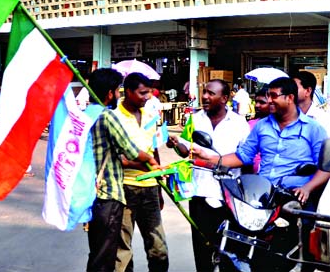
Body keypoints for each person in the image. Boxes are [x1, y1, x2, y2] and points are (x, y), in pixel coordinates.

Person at [194, 77, 329, 272]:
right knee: (236, 240)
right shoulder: (262, 126)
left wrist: (307, 188)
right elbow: (243, 156)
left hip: (294, 197)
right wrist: (209, 158)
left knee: (299, 249)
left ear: (290, 97)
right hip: (263, 195)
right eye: (268, 96)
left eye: (274, 96)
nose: (269, 100)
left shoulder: (313, 128)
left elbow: (325, 167)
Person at [168, 79, 250, 272]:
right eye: (204, 92)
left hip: (230, 196)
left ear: (224, 98)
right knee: (202, 246)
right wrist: (176, 144)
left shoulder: (239, 124)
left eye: (211, 93)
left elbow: (246, 158)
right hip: (200, 192)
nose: (205, 96)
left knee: (229, 248)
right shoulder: (195, 119)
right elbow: (185, 149)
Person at [86, 68, 160, 272]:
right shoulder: (108, 116)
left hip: (94, 193)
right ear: (111, 93)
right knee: (107, 256)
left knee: (99, 252)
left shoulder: (86, 115)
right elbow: (131, 151)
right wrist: (151, 161)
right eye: (116, 90)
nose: (117, 95)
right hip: (110, 193)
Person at [114, 73, 169, 272]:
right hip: (124, 189)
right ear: (127, 92)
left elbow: (153, 150)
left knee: (158, 247)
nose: (147, 97)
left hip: (150, 189)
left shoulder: (149, 115)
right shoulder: (114, 117)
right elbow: (115, 157)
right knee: (122, 250)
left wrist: (160, 189)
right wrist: (140, 165)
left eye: (149, 93)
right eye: (142, 93)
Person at [292, 70, 330, 136]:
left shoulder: (323, 119)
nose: (290, 91)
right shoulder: (286, 116)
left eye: (294, 88)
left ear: (308, 91)